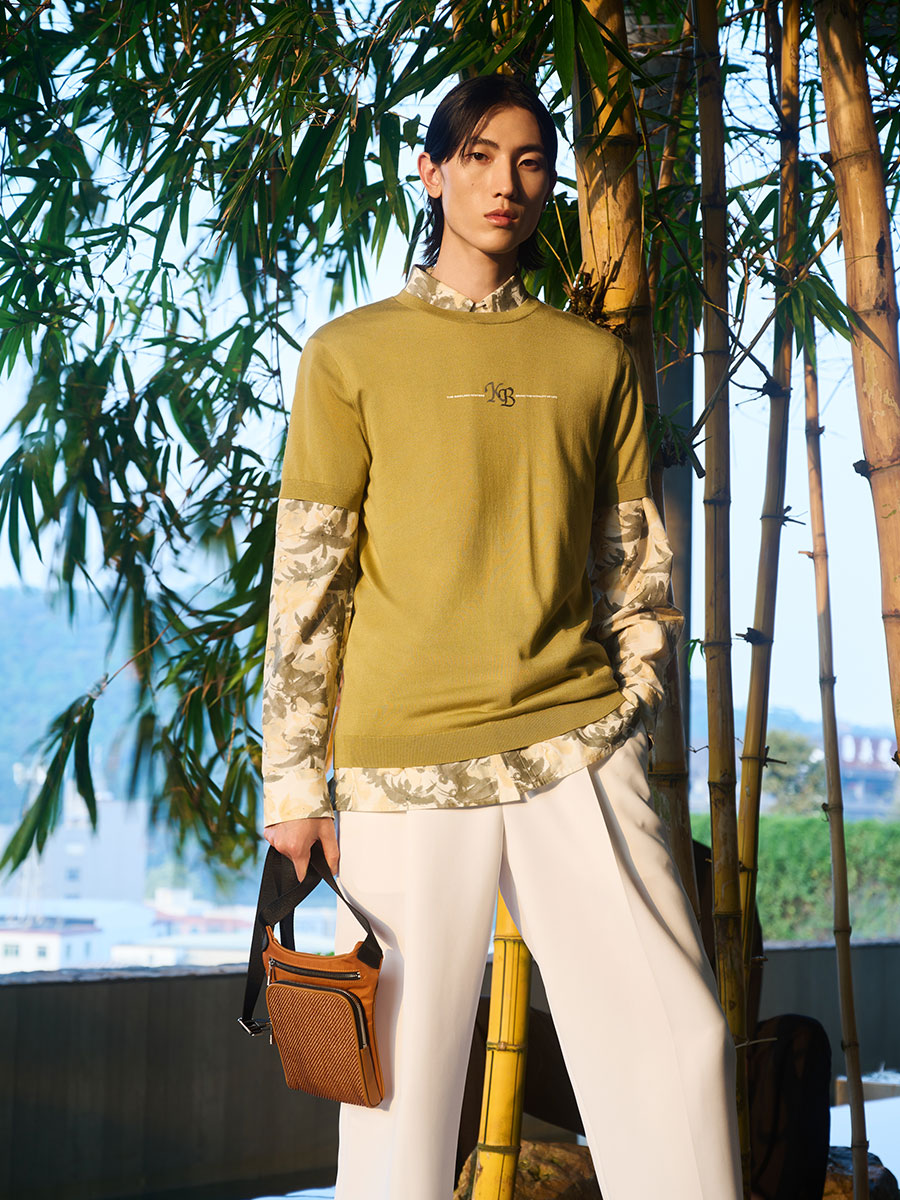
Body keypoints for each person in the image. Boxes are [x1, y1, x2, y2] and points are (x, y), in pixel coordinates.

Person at [261, 73, 742, 1200]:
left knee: (677, 1047)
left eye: (529, 161)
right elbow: (309, 579)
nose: (505, 184)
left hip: (575, 743)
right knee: (397, 1102)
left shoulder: (593, 362)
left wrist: (631, 707)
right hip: (403, 761)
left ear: (550, 182)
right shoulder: (349, 354)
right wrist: (294, 781)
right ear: (431, 173)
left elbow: (636, 567)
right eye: (478, 156)